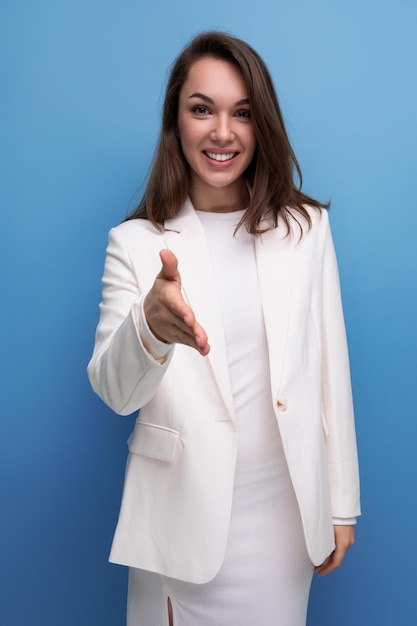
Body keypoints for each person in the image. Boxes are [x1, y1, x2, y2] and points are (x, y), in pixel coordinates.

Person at [88, 31, 360, 626]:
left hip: (282, 521)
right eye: (201, 109)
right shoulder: (134, 244)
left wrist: (343, 504)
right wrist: (150, 330)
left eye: (241, 113)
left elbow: (330, 371)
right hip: (177, 525)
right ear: (176, 122)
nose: (222, 132)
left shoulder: (306, 229)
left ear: (261, 124)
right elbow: (113, 392)